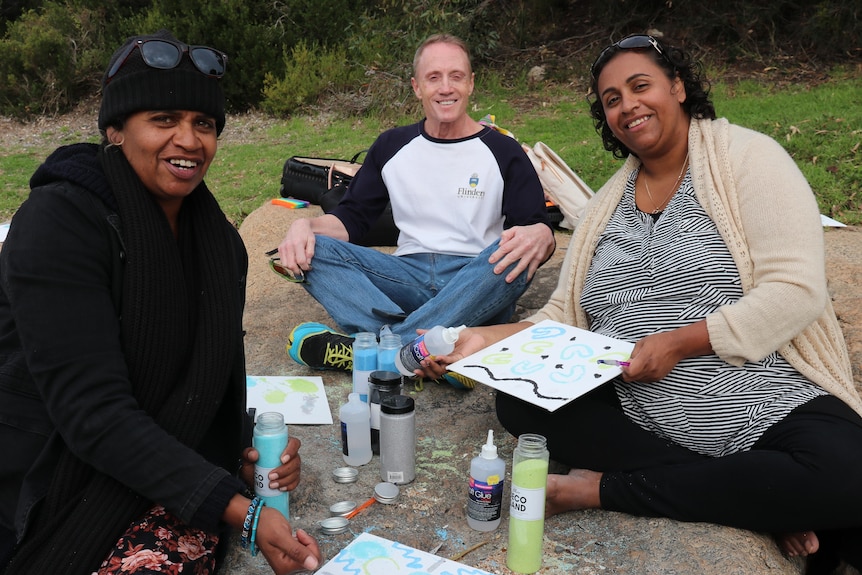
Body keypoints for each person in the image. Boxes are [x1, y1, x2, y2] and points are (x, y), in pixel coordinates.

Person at [418, 34, 862, 572]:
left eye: (639, 86)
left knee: (848, 475)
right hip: (642, 411)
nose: (627, 105)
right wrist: (481, 340)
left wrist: (680, 341)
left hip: (766, 401)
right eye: (611, 99)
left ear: (677, 87)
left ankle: (601, 489)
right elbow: (563, 318)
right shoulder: (608, 204)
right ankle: (755, 498)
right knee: (518, 402)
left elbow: (796, 289)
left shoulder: (747, 159)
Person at [0, 30, 321, 574]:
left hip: (143, 453)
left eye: (204, 124)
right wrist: (241, 512)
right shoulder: (57, 224)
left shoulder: (215, 242)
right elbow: (93, 415)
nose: (189, 141)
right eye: (164, 119)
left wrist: (245, 451)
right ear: (116, 131)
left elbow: (200, 380)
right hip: (54, 471)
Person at [276, 34, 556, 383]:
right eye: (433, 77)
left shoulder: (504, 151)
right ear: (416, 87)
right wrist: (306, 228)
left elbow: (532, 227)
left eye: (456, 76)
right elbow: (352, 219)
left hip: (476, 278)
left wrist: (542, 233)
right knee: (314, 251)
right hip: (405, 277)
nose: (445, 87)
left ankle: (381, 352)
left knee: (515, 252)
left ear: (470, 84)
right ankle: (431, 350)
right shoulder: (392, 145)